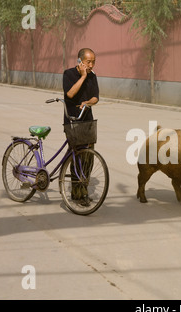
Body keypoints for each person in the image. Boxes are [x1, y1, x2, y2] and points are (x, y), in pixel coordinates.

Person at [63, 48, 99, 206]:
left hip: (87, 121)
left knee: (88, 157)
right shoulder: (68, 74)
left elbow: (95, 97)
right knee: (77, 157)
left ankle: (83, 190)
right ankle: (77, 194)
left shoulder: (93, 77)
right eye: (88, 62)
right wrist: (83, 76)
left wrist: (88, 102)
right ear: (79, 61)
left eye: (93, 62)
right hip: (72, 120)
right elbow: (70, 94)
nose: (91, 65)